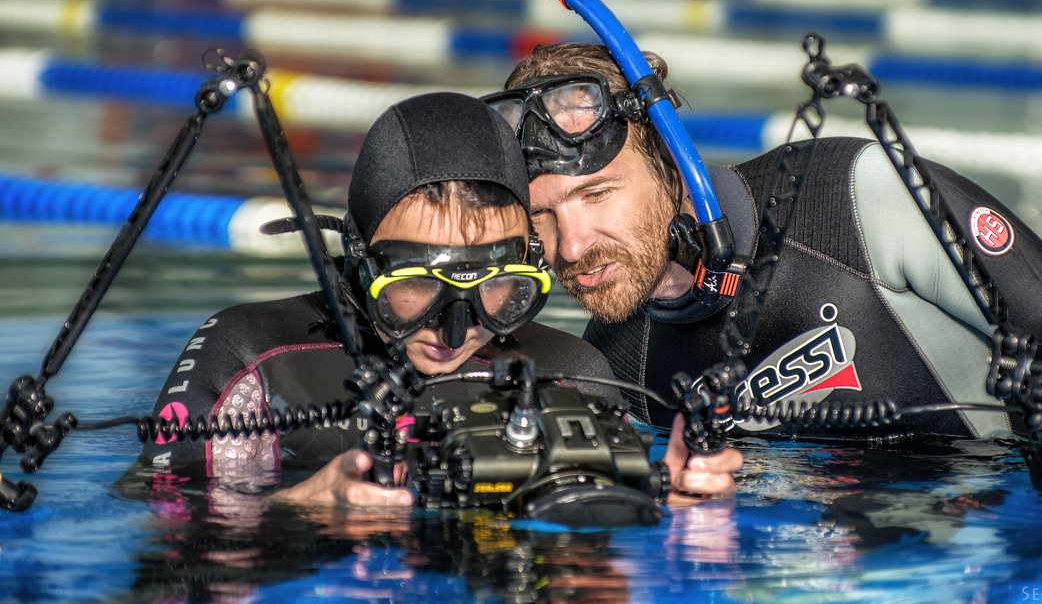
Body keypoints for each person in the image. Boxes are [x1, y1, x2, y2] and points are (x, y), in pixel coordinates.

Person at [484, 41, 1042, 466]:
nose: (570, 246)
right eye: (543, 215)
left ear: (670, 162)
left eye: (599, 194)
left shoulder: (856, 200)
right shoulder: (616, 361)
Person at [137, 91, 742, 509]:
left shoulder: (573, 374)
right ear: (360, 259)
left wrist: (676, 498)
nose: (456, 331)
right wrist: (302, 507)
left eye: (497, 292)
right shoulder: (256, 354)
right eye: (416, 288)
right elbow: (161, 543)